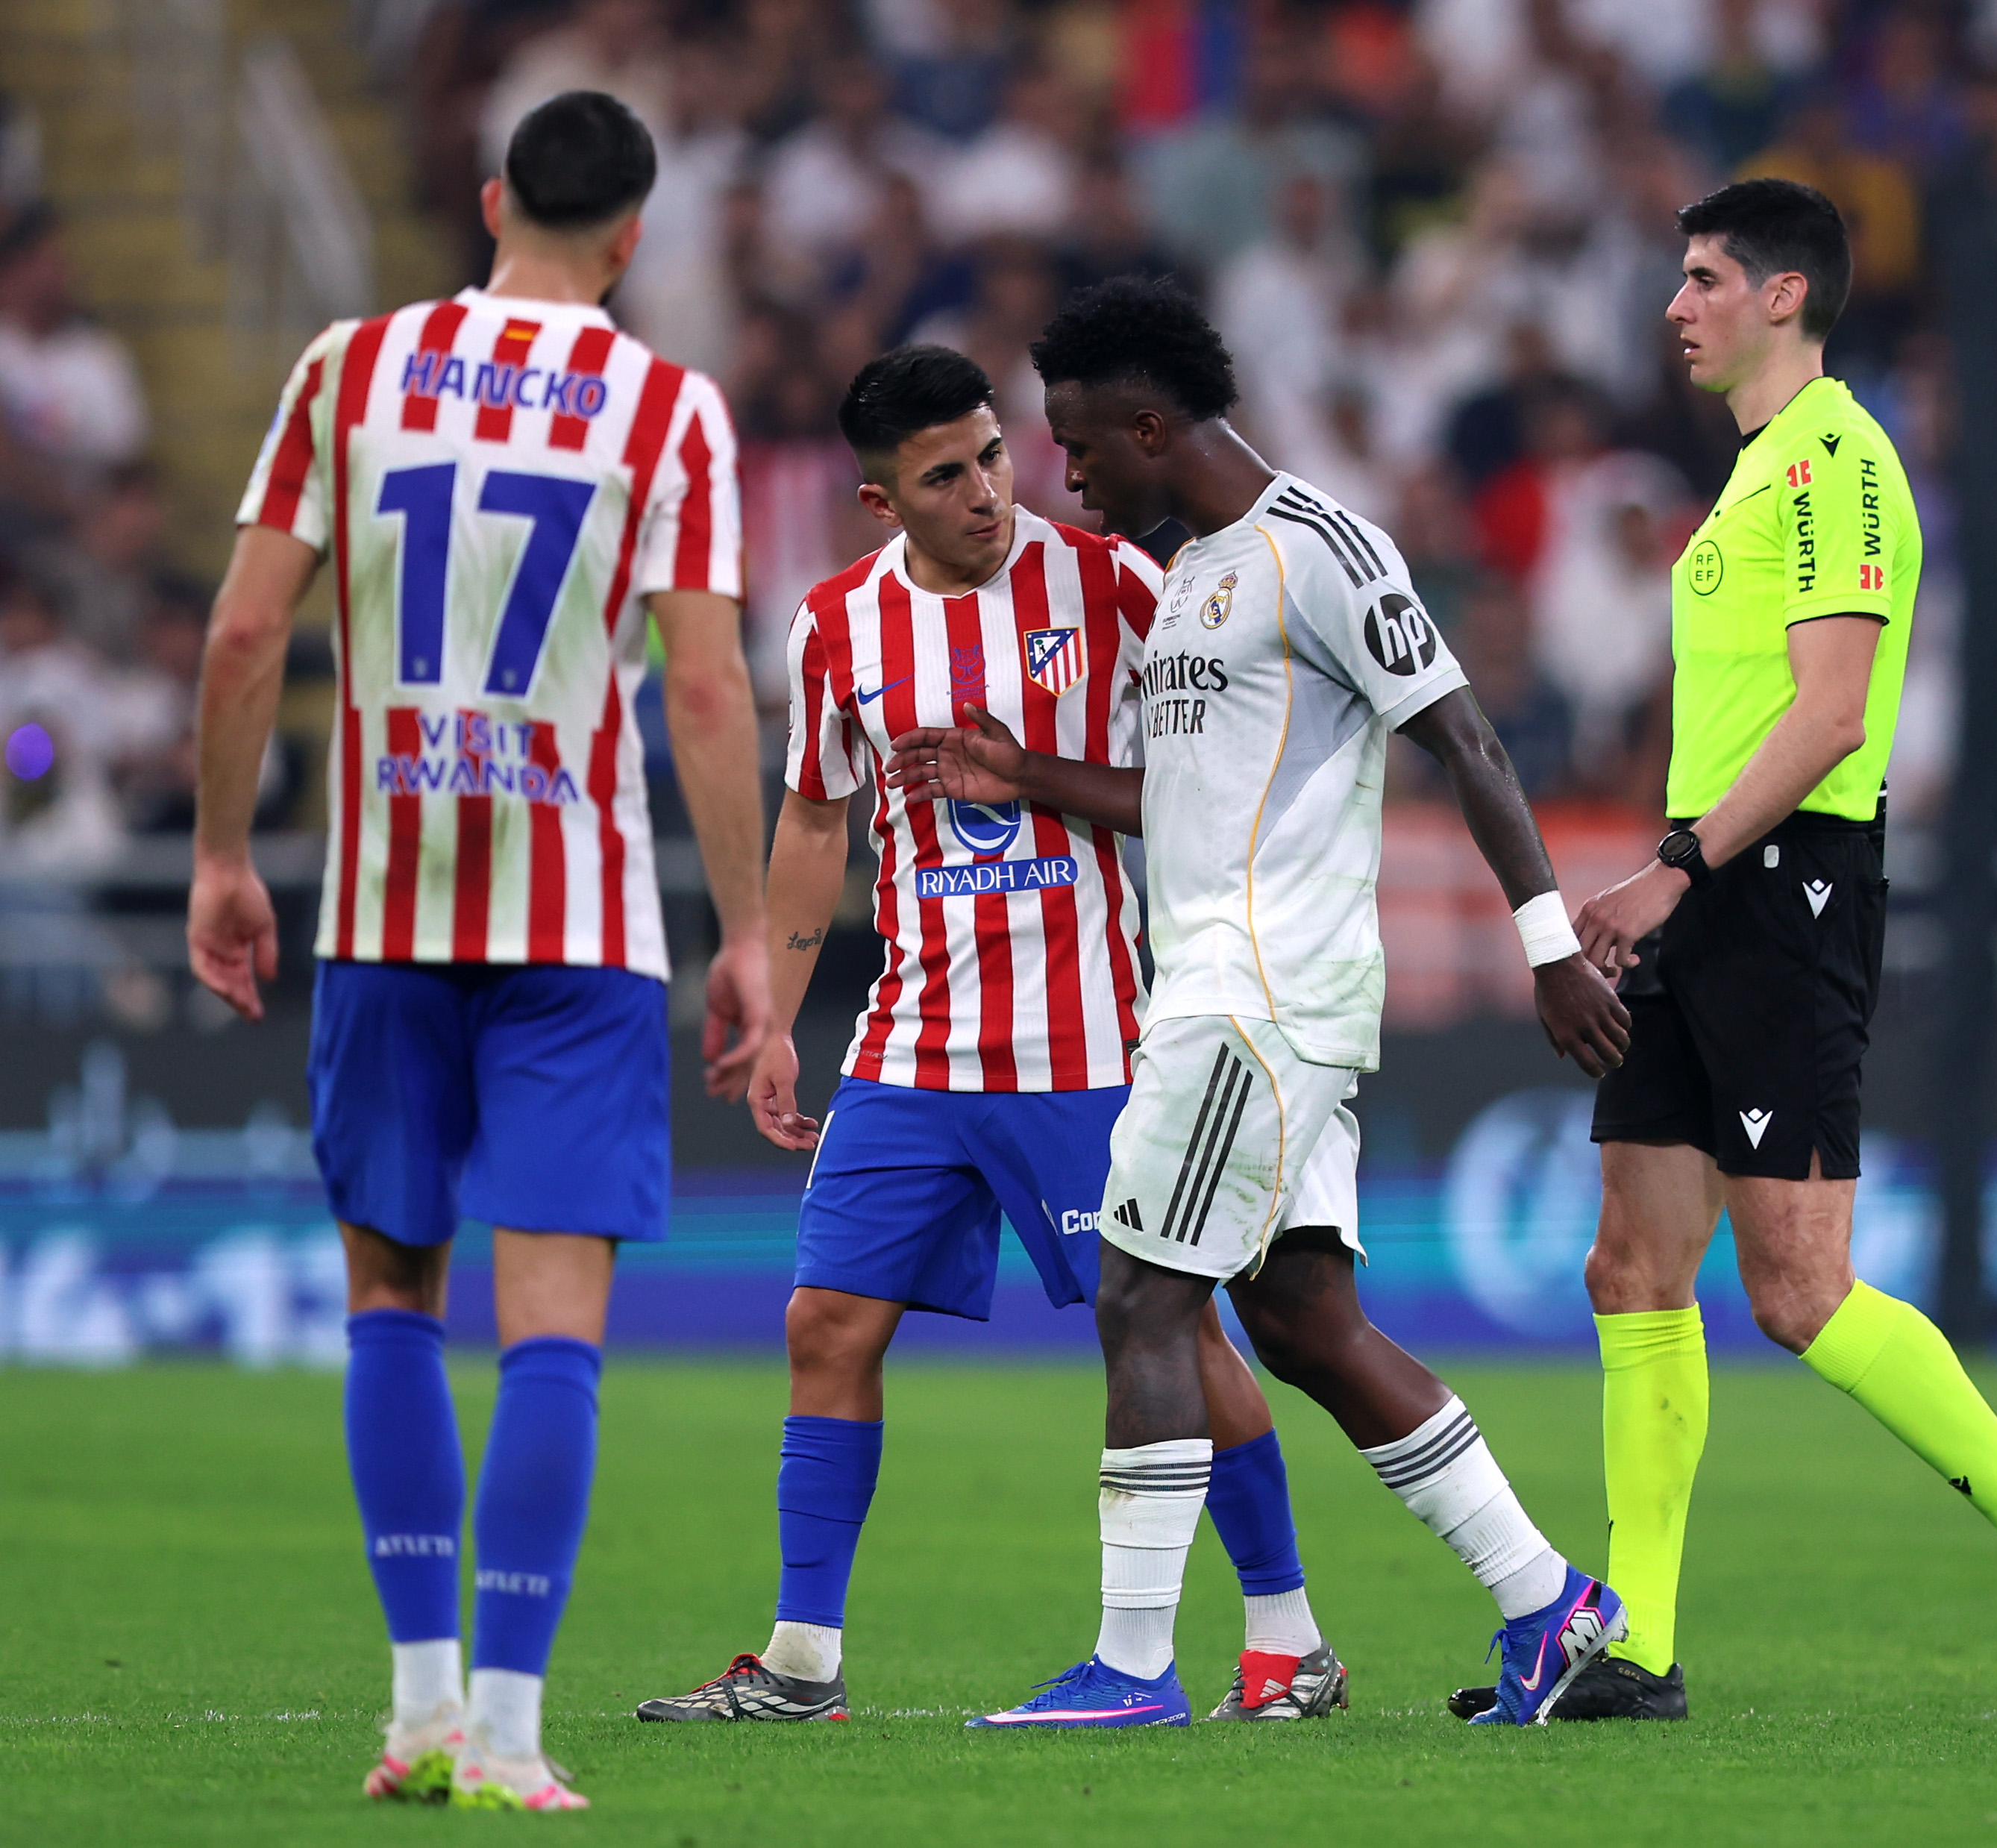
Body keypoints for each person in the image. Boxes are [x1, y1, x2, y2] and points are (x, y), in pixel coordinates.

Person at [901, 277, 1634, 1729]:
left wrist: (1546, 944)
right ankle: (1553, 1605)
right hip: (1233, 982)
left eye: (1079, 443)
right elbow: (1184, 798)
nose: (1067, 473)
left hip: (1255, 994)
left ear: (1152, 422)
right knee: (1299, 1320)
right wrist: (1029, 778)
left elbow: (1467, 738)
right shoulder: (1191, 583)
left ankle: (1128, 1668)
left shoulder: (1316, 552)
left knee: (1139, 1296)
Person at [187, 93, 772, 1811]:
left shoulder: (346, 370)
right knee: (554, 1327)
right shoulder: (667, 409)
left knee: (390, 1297)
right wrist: (745, 936)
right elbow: (710, 688)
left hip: (380, 906)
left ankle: (420, 1710)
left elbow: (240, 631)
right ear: (636, 234)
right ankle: (512, 1735)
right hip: (578, 924)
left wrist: (225, 853)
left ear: (494, 196)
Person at [633, 345, 1351, 1728]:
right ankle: (800, 1662)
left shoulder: (1114, 585)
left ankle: (1288, 1638)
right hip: (909, 1052)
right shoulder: (836, 624)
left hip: (1085, 1047)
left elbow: (1220, 775)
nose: (986, 491)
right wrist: (783, 1016)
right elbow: (814, 816)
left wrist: (1045, 782)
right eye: (944, 475)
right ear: (877, 499)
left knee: (1182, 1342)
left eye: (992, 455)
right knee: (826, 1322)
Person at [1568, 178, 1997, 1726]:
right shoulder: (1757, 474)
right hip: (1708, 892)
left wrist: (1680, 864)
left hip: (1780, 890)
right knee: (1631, 1265)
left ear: (1782, 296)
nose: (1674, 306)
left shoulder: (1838, 458)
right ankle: (1633, 1646)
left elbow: (1831, 714)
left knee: (1801, 1290)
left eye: (1700, 278)